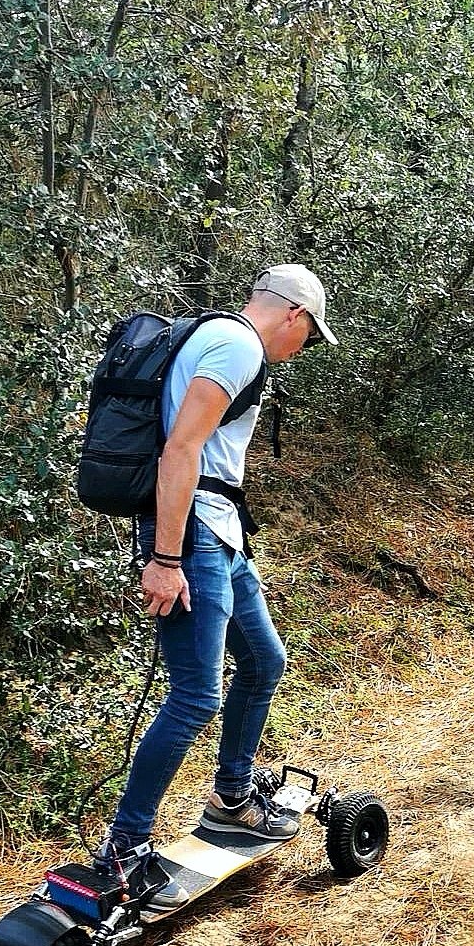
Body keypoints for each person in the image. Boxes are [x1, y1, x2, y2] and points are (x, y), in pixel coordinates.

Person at [94, 264, 338, 909]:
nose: (304, 347)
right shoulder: (237, 345)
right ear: (294, 315)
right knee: (195, 696)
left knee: (263, 660)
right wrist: (165, 558)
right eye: (310, 334)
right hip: (191, 535)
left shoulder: (218, 337)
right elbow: (181, 449)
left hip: (217, 533)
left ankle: (233, 796)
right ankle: (124, 849)